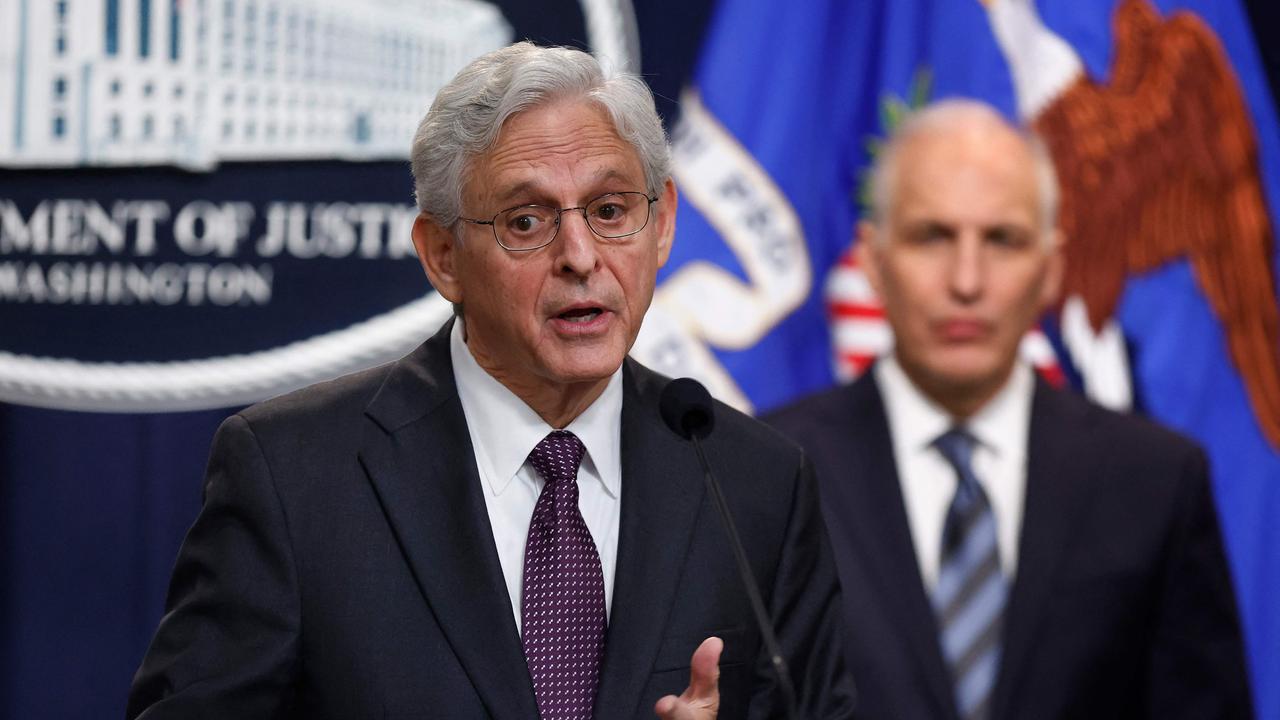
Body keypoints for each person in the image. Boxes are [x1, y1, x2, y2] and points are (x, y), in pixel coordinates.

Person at [126, 42, 854, 720]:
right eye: (527, 221)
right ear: (443, 256)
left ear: (661, 225)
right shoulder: (293, 478)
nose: (580, 256)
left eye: (609, 211)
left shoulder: (755, 484)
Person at [766, 99, 1253, 720]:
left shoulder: (1156, 482)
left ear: (1051, 270)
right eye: (932, 236)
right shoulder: (770, 473)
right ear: (873, 262)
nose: (967, 281)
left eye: (1003, 240)